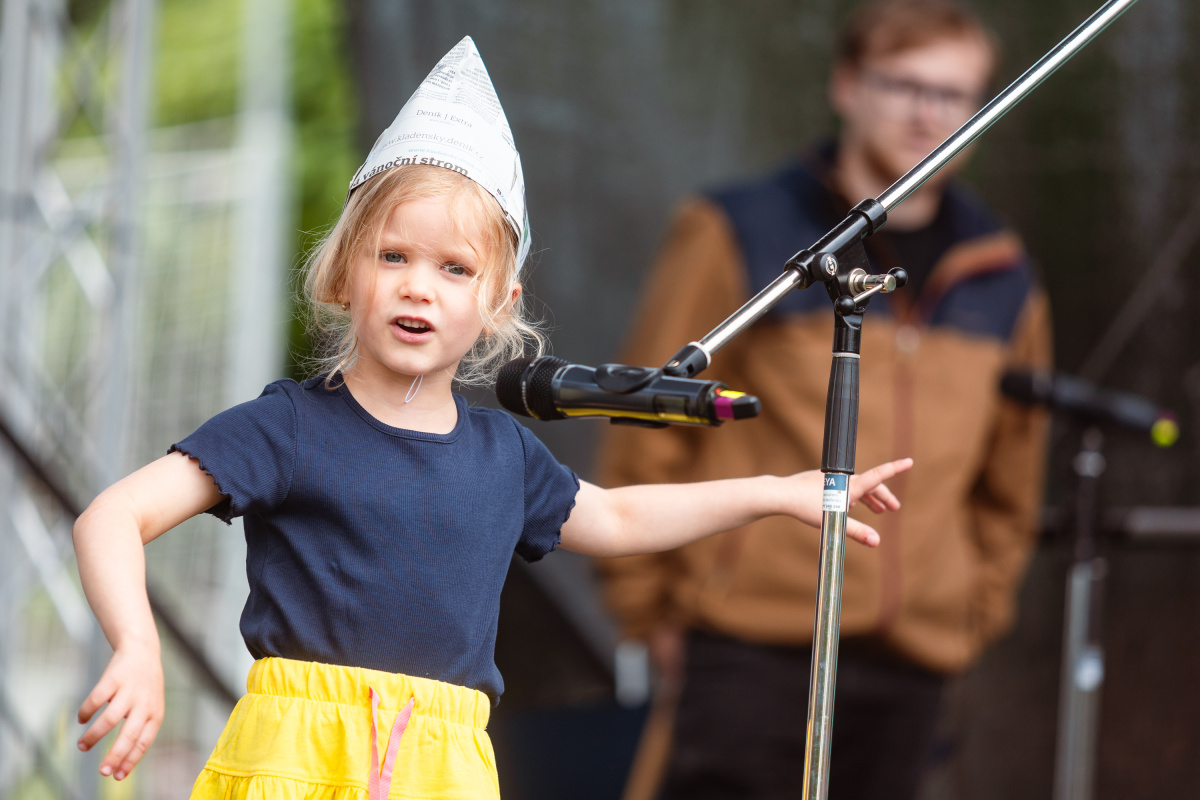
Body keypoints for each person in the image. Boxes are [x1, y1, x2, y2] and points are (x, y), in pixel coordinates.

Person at [70, 37, 910, 800]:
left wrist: (773, 488)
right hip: (299, 759)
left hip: (447, 771)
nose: (417, 285)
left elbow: (615, 517)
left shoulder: (501, 453)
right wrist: (138, 647)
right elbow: (112, 515)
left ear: (497, 306)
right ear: (341, 276)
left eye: (453, 268)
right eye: (392, 256)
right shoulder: (288, 426)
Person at [597, 2, 1051, 799]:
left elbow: (1015, 475)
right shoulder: (737, 229)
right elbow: (648, 415)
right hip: (750, 645)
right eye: (905, 84)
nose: (928, 113)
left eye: (954, 94)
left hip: (914, 660)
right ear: (847, 84)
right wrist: (653, 611)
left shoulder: (1003, 272)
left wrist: (972, 609)